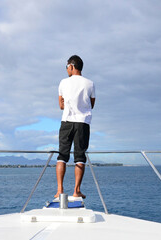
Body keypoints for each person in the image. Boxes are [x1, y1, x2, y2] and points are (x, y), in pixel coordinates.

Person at [55, 55, 96, 199]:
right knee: (80, 157)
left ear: (72, 66)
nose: (66, 69)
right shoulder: (90, 83)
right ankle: (76, 190)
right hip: (83, 123)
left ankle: (60, 190)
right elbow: (92, 104)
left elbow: (61, 105)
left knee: (62, 156)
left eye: (66, 67)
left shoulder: (63, 83)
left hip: (66, 121)